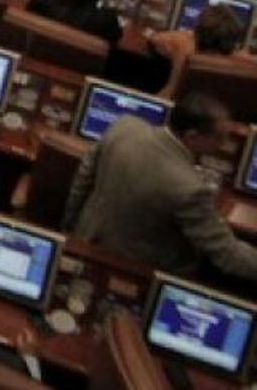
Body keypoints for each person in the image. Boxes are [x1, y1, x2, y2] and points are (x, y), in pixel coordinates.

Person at [64, 91, 257, 281]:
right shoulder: (189, 189)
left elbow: (83, 180)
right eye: (219, 138)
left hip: (85, 242)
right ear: (192, 136)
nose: (224, 144)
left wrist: (69, 229)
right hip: (140, 272)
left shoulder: (123, 126)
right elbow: (227, 255)